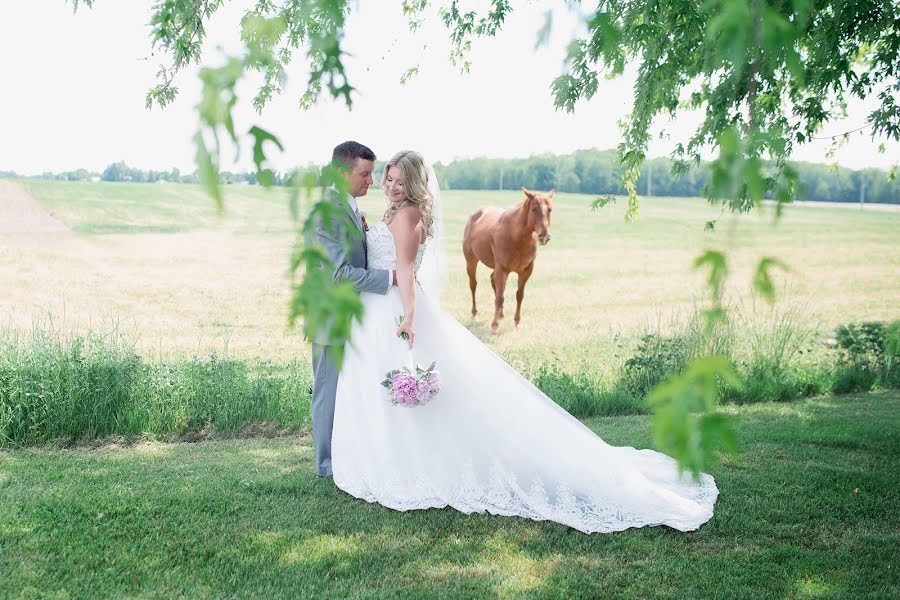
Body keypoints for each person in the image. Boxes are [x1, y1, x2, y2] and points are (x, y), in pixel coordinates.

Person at [329, 149, 718, 533]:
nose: (391, 187)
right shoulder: (396, 212)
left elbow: (407, 270)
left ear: (413, 184)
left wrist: (409, 317)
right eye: (388, 179)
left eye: (399, 181)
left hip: (396, 308)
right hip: (379, 308)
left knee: (415, 391)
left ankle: (410, 464)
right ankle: (397, 457)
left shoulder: (408, 214)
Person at [306, 141, 395, 478]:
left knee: (349, 391)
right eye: (365, 174)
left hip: (354, 317)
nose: (370, 181)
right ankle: (326, 466)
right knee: (328, 392)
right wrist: (391, 277)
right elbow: (338, 273)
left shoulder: (348, 204)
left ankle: (348, 454)